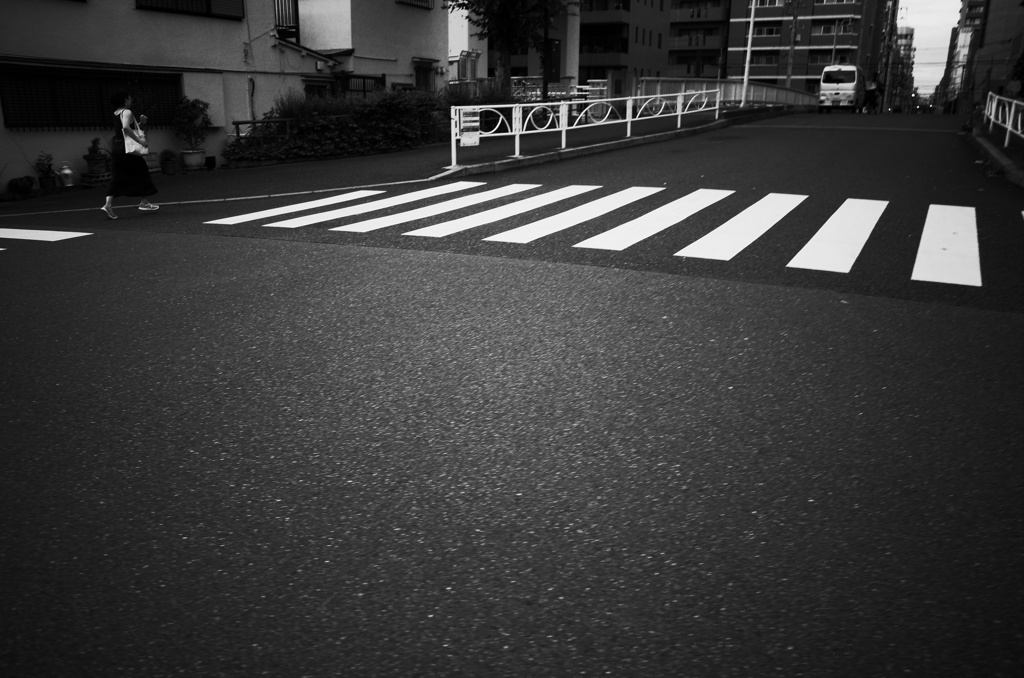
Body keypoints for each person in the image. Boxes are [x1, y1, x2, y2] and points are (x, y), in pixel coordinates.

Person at [101, 91, 159, 219]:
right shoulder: (127, 112)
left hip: (117, 147)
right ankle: (144, 202)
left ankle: (108, 204)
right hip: (127, 148)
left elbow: (128, 129)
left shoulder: (116, 113)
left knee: (118, 175)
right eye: (129, 98)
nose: (130, 100)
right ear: (124, 100)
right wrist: (141, 141)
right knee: (142, 170)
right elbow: (126, 128)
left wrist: (141, 123)